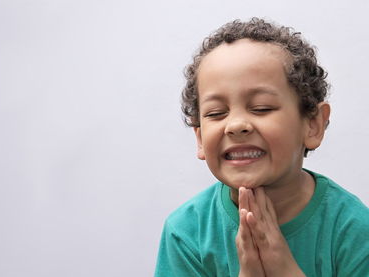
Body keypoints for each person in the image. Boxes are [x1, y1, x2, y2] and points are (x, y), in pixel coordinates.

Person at [154, 18, 369, 277]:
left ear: (313, 125)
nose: (235, 125)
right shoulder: (186, 233)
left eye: (261, 108)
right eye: (216, 113)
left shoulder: (354, 230)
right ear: (200, 138)